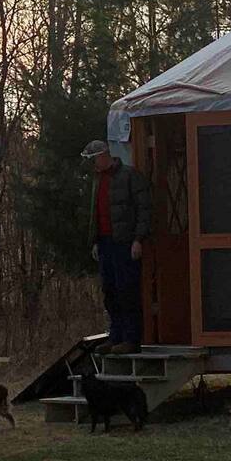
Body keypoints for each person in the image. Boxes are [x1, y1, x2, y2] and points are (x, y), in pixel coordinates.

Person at [83, 140, 152, 355]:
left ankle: (131, 338)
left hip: (125, 242)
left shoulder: (130, 176)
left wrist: (138, 239)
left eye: (94, 159)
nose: (93, 164)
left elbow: (144, 208)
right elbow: (96, 212)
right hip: (105, 243)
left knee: (127, 290)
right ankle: (116, 336)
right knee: (110, 291)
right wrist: (95, 241)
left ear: (104, 156)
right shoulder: (98, 180)